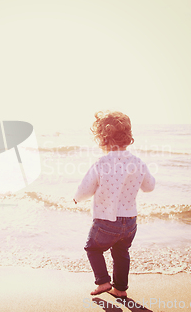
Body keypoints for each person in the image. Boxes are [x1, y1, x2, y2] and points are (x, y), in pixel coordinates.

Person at [73, 111, 155, 298]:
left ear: (103, 139)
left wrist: (76, 198)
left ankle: (102, 281)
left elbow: (86, 188)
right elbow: (149, 186)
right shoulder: (138, 162)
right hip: (130, 221)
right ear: (128, 137)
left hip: (106, 221)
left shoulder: (102, 163)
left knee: (92, 248)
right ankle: (120, 289)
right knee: (121, 252)